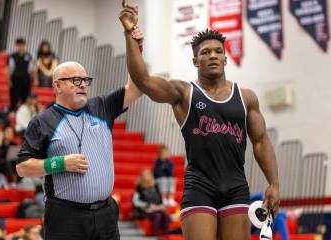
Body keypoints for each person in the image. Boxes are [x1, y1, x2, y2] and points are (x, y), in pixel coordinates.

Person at [119, 3, 280, 240]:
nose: (212, 55)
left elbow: (260, 141)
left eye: (217, 51)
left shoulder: (246, 97)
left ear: (226, 58)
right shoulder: (183, 93)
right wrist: (129, 34)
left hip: (236, 187)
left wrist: (273, 183)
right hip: (199, 188)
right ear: (195, 61)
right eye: (205, 52)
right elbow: (142, 80)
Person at [15, 27, 143, 240]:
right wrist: (60, 163)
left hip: (105, 214)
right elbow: (22, 168)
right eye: (76, 80)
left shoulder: (101, 106)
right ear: (57, 85)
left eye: (85, 80)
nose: (83, 84)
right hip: (66, 217)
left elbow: (136, 88)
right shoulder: (42, 121)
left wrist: (135, 46)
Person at [133, 169, 171, 236]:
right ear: (142, 177)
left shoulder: (155, 186)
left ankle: (166, 232)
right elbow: (136, 202)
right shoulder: (139, 188)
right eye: (144, 176)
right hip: (144, 210)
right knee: (157, 216)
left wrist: (158, 206)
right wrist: (147, 205)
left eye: (148, 175)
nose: (146, 177)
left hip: (156, 208)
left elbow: (160, 200)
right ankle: (155, 233)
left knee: (165, 214)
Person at [8, 38, 37, 112]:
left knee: (26, 97)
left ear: (24, 46)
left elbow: (32, 69)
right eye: (18, 45)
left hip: (26, 80)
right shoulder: (12, 56)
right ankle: (13, 111)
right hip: (15, 79)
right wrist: (9, 80)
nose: (20, 47)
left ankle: (24, 112)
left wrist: (35, 79)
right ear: (16, 46)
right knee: (14, 97)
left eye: (22, 45)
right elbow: (9, 69)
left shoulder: (29, 56)